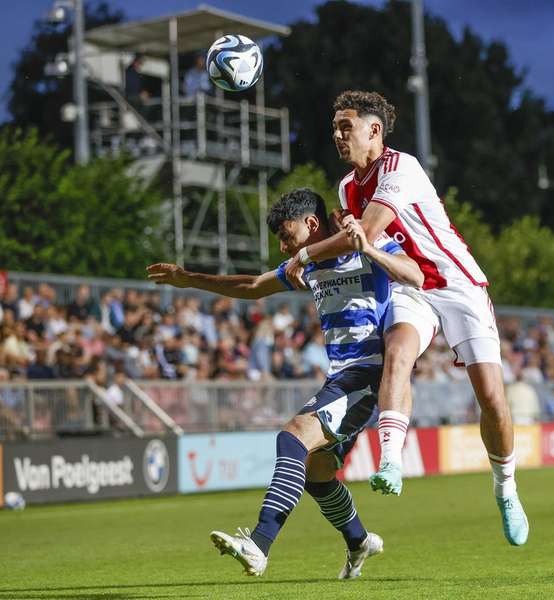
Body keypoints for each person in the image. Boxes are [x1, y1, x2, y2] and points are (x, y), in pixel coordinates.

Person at [281, 90, 528, 545]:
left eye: (346, 127)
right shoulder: (345, 187)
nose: (337, 136)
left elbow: (368, 233)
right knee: (397, 350)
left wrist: (306, 254)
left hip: (456, 283)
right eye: (334, 127)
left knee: (492, 397)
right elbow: (365, 248)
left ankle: (505, 487)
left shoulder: (401, 168)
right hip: (409, 283)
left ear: (374, 130)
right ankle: (391, 458)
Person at [147, 188, 426, 578]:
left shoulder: (363, 239)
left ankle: (258, 545)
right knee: (317, 474)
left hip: (367, 373)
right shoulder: (305, 266)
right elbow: (251, 287)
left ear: (312, 224)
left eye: (286, 234)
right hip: (341, 375)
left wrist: (370, 250)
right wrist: (189, 279)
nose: (282, 246)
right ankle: (359, 540)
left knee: (292, 437)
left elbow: (416, 274)